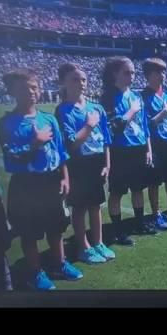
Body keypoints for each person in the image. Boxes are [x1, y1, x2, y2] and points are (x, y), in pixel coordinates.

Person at [0, 69, 82, 290]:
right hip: (26, 185)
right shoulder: (7, 123)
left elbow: (61, 151)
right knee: (29, 231)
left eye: (34, 87)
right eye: (24, 88)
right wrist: (35, 143)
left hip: (51, 180)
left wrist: (65, 177)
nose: (31, 92)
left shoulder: (48, 119)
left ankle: (59, 264)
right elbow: (12, 156)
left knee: (56, 227)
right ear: (12, 91)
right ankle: (35, 272)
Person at [56, 63, 116, 264]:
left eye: (83, 79)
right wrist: (89, 126)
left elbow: (106, 139)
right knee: (79, 207)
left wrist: (107, 164)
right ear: (63, 83)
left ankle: (98, 242)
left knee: (96, 205)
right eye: (75, 79)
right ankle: (84, 247)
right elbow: (71, 144)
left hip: (97, 162)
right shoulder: (63, 111)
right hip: (78, 164)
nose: (81, 83)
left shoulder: (96, 107)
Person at [100, 56, 155, 246]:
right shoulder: (107, 97)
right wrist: (131, 111)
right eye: (127, 72)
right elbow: (116, 127)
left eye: (133, 72)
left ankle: (139, 223)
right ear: (115, 73)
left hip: (138, 149)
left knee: (138, 188)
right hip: (119, 151)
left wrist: (148, 149)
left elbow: (145, 125)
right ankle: (117, 231)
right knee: (117, 192)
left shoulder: (136, 96)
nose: (131, 76)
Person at [141, 58, 167, 227]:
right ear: (149, 75)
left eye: (164, 72)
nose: (162, 75)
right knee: (154, 181)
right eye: (158, 72)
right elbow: (146, 124)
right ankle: (156, 213)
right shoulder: (143, 97)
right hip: (156, 144)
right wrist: (163, 113)